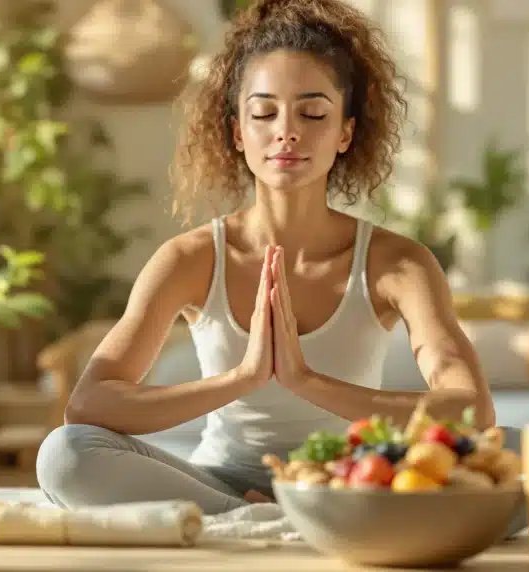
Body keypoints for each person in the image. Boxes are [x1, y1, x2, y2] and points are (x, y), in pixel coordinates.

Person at [36, 0, 495, 516]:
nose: (287, 131)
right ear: (237, 131)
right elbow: (90, 404)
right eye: (263, 112)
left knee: (519, 455)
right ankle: (260, 518)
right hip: (222, 482)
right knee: (65, 455)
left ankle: (269, 521)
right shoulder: (188, 259)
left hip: (349, 481)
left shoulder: (398, 263)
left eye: (314, 112)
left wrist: (308, 382)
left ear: (345, 132)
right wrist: (242, 379)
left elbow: (472, 408)